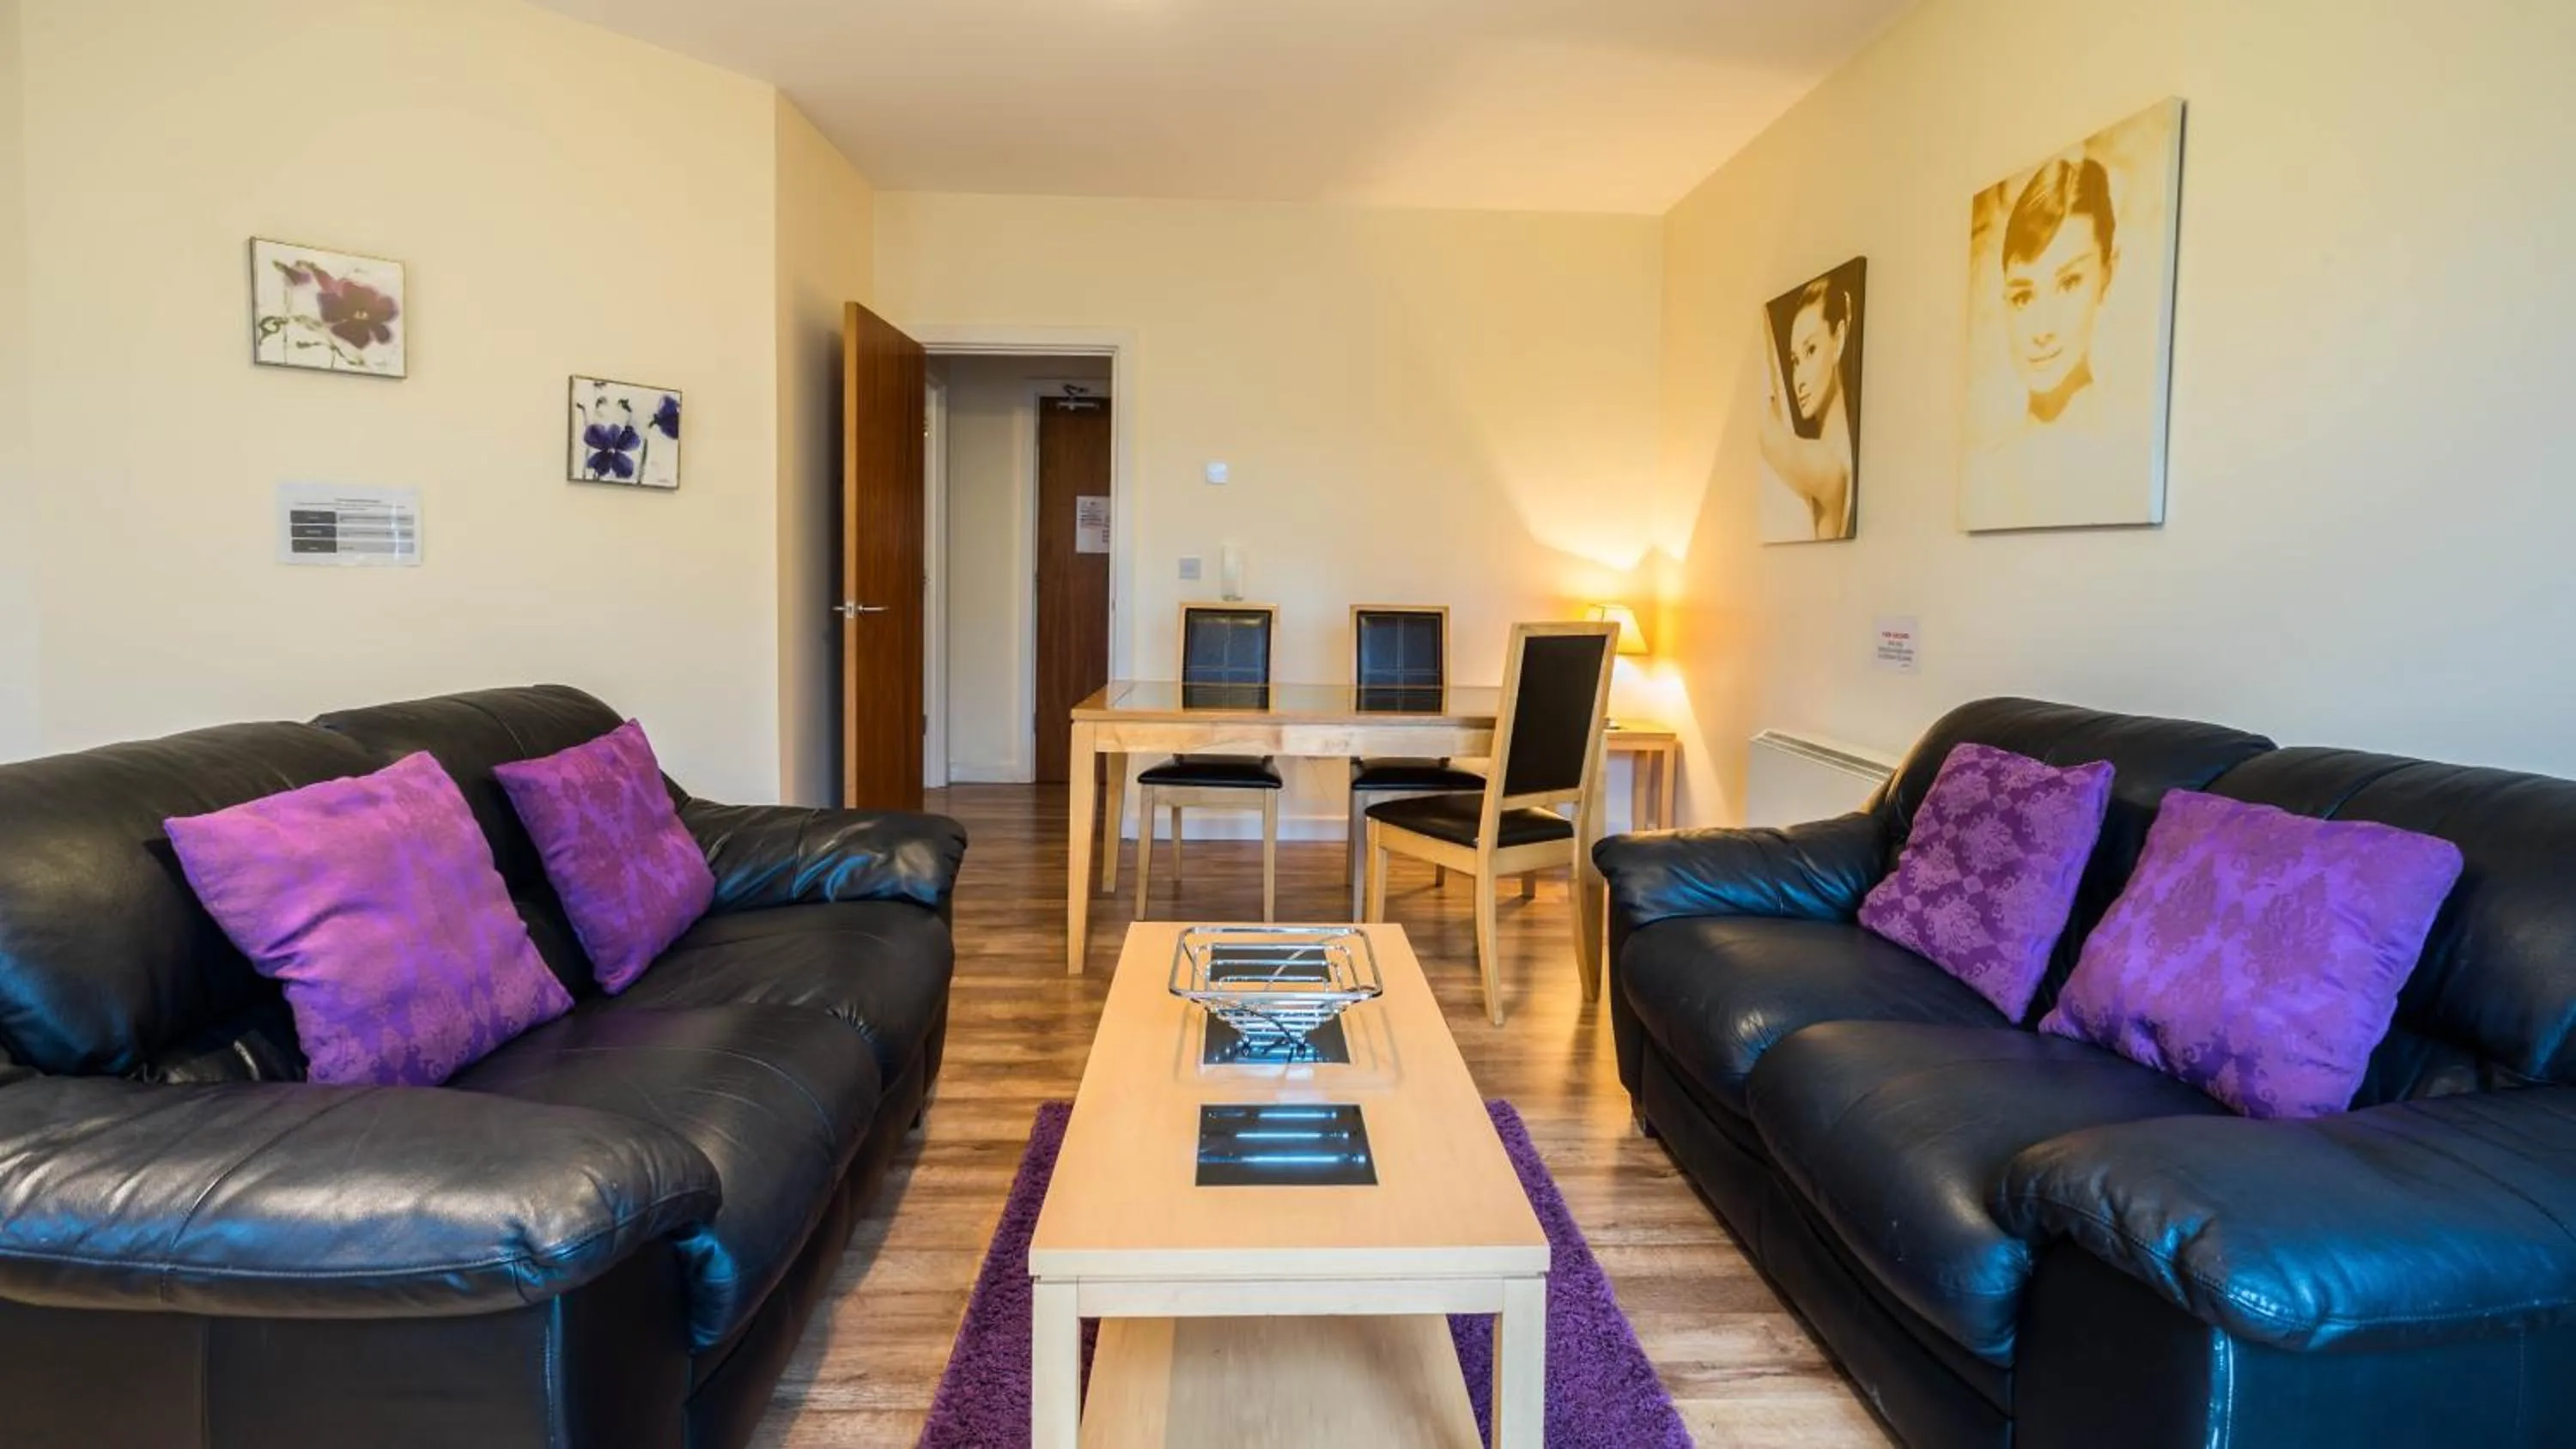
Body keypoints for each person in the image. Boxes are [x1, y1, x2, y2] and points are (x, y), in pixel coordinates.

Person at [1963, 154, 2145, 530]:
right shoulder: (1984, 473)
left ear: (2107, 275)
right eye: (2024, 296)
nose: (2042, 328)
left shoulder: (2131, 456)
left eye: (2068, 284)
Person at [1759, 274, 1857, 541]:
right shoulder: (1824, 458)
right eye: (1794, 361)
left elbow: (1769, 436)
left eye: (1811, 350)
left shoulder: (1832, 466)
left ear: (1838, 339)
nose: (1799, 378)